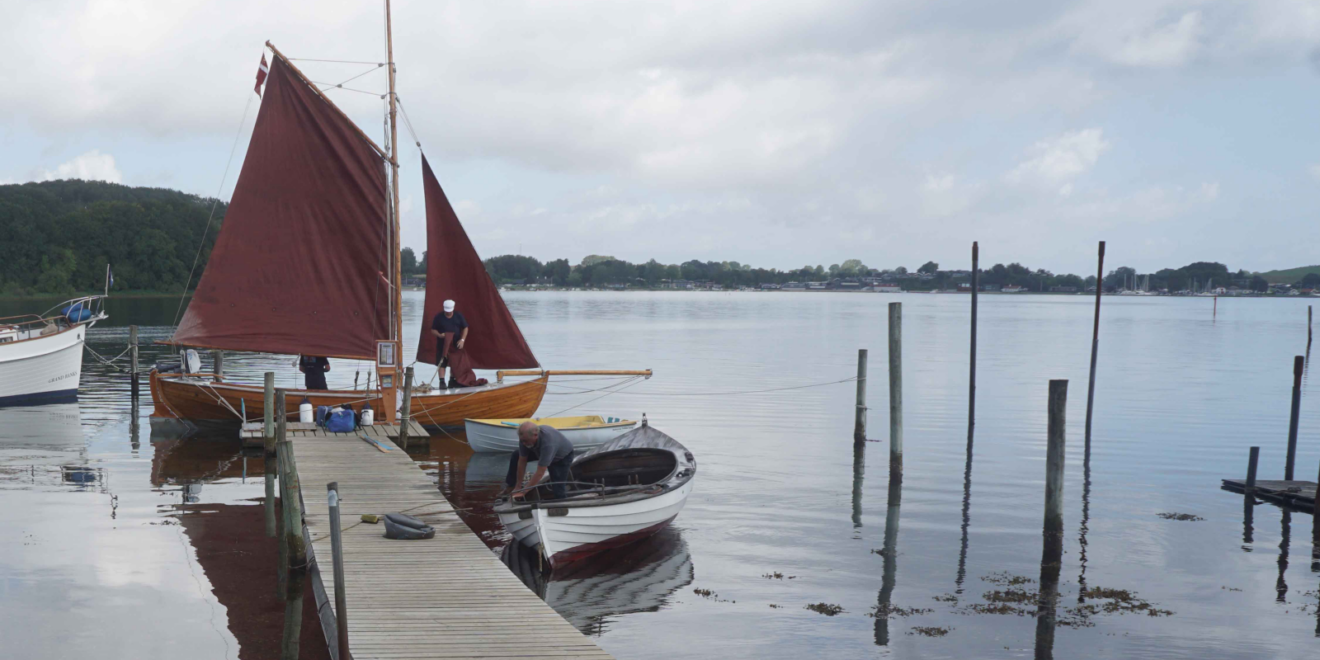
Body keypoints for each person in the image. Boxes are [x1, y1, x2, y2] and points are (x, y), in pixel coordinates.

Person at [505, 421, 575, 500]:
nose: (524, 443)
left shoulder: (548, 443)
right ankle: (511, 486)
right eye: (522, 441)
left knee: (558, 487)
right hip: (539, 451)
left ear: (535, 435)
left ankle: (561, 504)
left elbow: (540, 472)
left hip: (561, 457)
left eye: (526, 441)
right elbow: (522, 461)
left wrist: (523, 492)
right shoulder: (525, 438)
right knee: (516, 455)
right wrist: (518, 486)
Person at [430, 299, 468, 388]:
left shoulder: (458, 316)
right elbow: (433, 330)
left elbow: (465, 327)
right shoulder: (438, 317)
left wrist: (462, 340)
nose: (448, 313)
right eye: (447, 312)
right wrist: (439, 335)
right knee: (442, 362)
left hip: (455, 343)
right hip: (442, 344)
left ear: (453, 309)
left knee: (454, 362)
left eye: (450, 312)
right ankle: (442, 382)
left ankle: (452, 380)